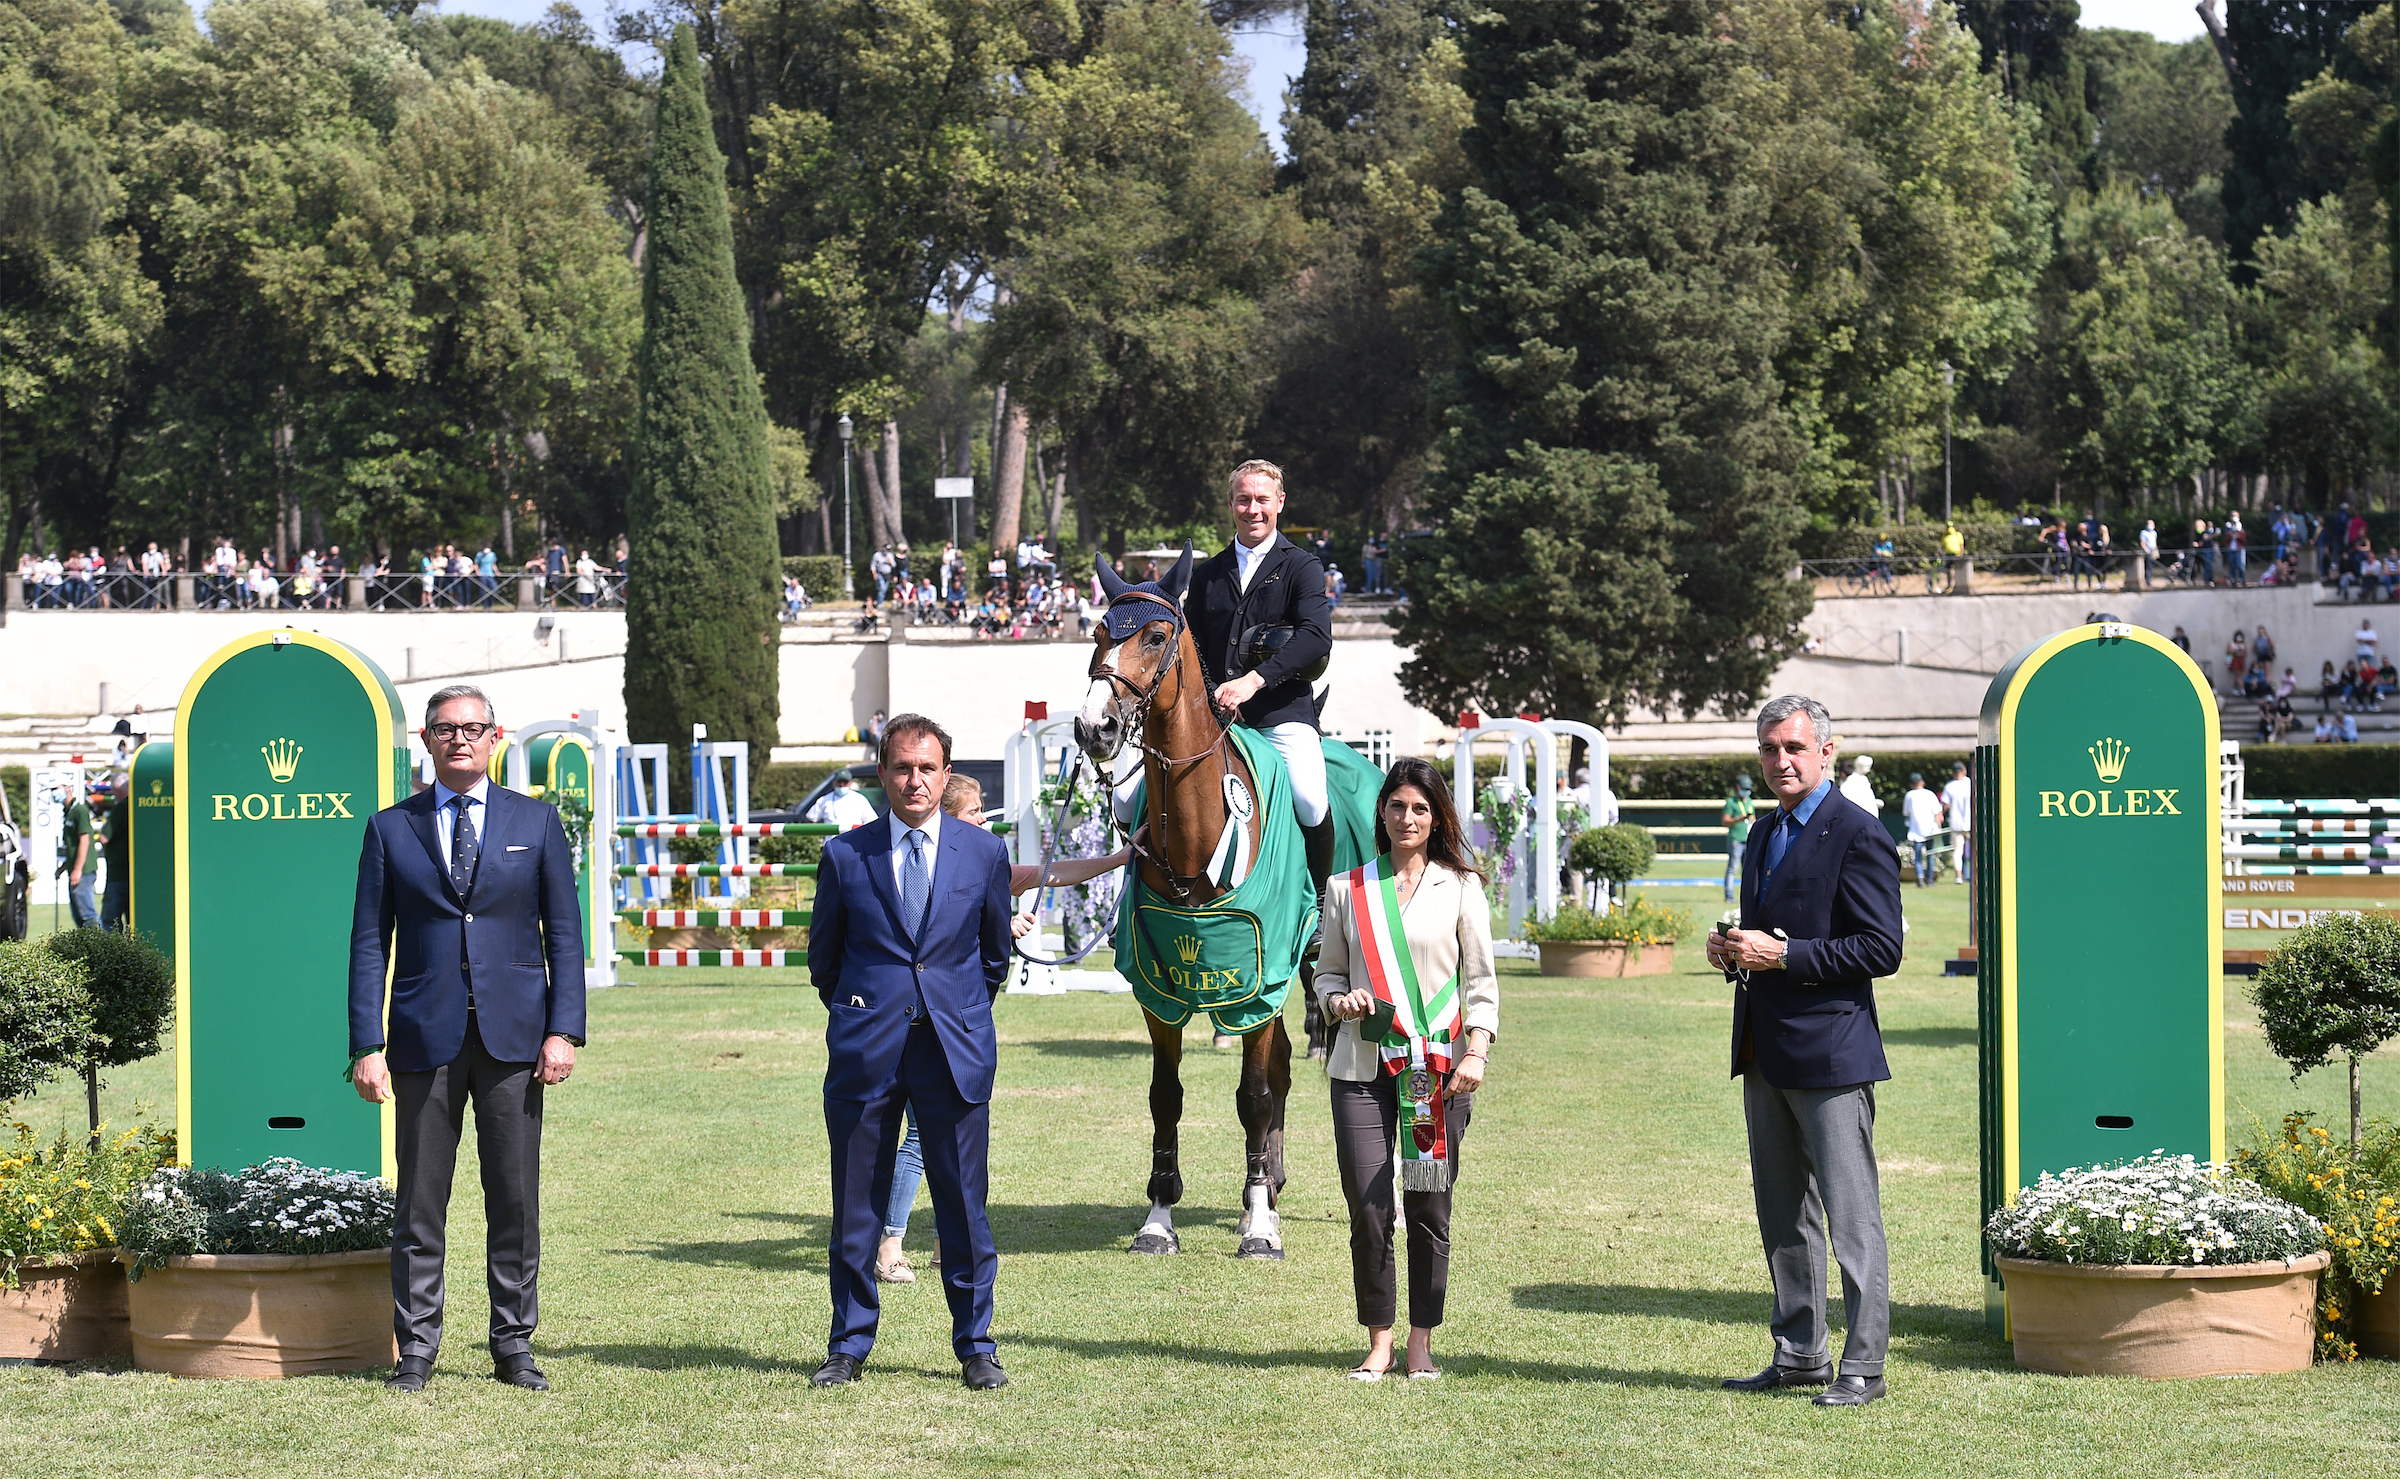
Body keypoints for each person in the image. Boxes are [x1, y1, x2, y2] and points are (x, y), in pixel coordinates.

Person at [347, 685, 586, 1394]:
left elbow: (565, 937)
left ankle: (513, 1345)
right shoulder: (390, 828)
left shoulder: (536, 822)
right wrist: (367, 1041)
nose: (459, 739)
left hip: (516, 1039)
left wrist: (563, 1029)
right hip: (424, 1037)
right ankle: (415, 1348)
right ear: (425, 740)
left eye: (472, 728)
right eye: (446, 729)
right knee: (420, 1200)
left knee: (513, 1198)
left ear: (495, 737)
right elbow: (368, 942)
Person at [807, 715, 1015, 1392]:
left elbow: (993, 958)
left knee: (962, 1206)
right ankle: (848, 1344)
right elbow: (825, 964)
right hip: (868, 1051)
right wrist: (870, 1011)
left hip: (952, 1050)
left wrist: (951, 1012)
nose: (915, 779)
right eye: (902, 767)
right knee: (856, 1205)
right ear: (881, 774)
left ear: (946, 773)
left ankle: (976, 1344)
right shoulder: (846, 856)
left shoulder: (982, 854)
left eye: (928, 768)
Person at [862, 775, 1136, 1285]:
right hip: (918, 1021)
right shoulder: (924, 863)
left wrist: (1120, 860)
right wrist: (997, 931)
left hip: (962, 1027)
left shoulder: (983, 860)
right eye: (974, 812)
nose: (985, 820)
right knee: (921, 1136)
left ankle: (945, 1245)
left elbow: (1053, 874)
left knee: (950, 1135)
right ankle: (890, 1245)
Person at [1707, 695, 1902, 1408]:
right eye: (1769, 749)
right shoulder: (1763, 830)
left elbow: (1883, 947)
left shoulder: (1859, 832)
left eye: (1793, 747)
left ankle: (1865, 1366)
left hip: (1832, 1056)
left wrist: (1785, 954)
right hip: (1763, 1051)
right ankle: (1798, 1353)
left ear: (1827, 752)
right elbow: (1764, 939)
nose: (1780, 760)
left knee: (1852, 1220)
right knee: (1783, 1213)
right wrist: (1733, 951)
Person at [1311, 758, 1497, 1381]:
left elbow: (1482, 982)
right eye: (1397, 806)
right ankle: (1379, 1339)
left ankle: (1421, 1340)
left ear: (1436, 815)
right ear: (1382, 812)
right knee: (1368, 1205)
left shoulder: (1462, 886)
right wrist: (1339, 1000)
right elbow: (1328, 973)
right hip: (1361, 1067)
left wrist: (1477, 1049)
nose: (1407, 818)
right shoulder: (1347, 889)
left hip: (1435, 1073)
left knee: (1426, 1204)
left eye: (1420, 808)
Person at [1186, 459, 1338, 920]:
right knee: (1143, 794)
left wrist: (1254, 680)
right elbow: (1190, 645)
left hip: (1280, 713)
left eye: (1262, 500)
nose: (1253, 509)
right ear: (1231, 503)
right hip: (1214, 720)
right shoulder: (1207, 574)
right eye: (1243, 499)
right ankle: (1135, 899)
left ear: (1280, 503)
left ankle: (1317, 907)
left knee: (1311, 798)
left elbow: (1316, 637)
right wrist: (1212, 691)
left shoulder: (1302, 567)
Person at [62, 778, 99, 927]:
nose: (53, 794)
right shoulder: (69, 811)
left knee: (88, 916)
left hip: (83, 871)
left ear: (67, 788)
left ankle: (103, 948)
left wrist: (77, 870)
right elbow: (73, 845)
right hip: (75, 870)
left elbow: (85, 840)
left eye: (55, 789)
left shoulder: (79, 810)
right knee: (78, 916)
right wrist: (64, 867)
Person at [97, 772, 130, 930]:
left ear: (117, 788)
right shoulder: (137, 806)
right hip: (135, 874)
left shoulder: (120, 809)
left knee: (110, 923)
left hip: (117, 873)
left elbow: (104, 838)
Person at [1901, 772, 1943, 887]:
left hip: (1916, 829)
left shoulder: (1909, 796)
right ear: (1922, 782)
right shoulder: (1929, 794)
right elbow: (1937, 812)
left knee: (1918, 856)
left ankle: (1920, 877)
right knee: (1930, 854)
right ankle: (1929, 879)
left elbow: (1906, 812)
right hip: (1929, 829)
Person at [806, 771, 880, 832]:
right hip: (831, 842)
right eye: (839, 782)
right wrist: (821, 833)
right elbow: (811, 818)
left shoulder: (860, 799)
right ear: (834, 783)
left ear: (850, 783)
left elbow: (872, 821)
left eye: (845, 782)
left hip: (853, 842)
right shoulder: (824, 800)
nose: (842, 785)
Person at [1722, 774, 1754, 901]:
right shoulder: (1731, 802)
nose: (1746, 791)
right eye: (1744, 788)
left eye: (1748, 789)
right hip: (1736, 839)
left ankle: (1746, 897)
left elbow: (1753, 819)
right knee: (1732, 868)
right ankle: (1729, 895)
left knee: (1748, 870)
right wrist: (1738, 819)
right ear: (1738, 787)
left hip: (1748, 839)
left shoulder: (1750, 802)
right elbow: (1725, 821)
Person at [1940, 761, 1973, 884]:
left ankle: (1959, 876)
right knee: (1974, 850)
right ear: (1964, 771)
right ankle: (1972, 874)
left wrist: (1941, 814)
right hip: (1971, 822)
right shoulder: (1971, 783)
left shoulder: (1950, 786)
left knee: (1957, 851)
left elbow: (1945, 804)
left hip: (1956, 823)